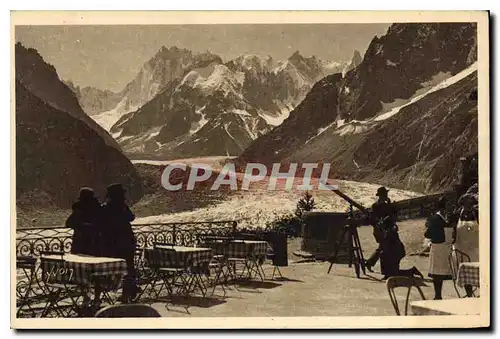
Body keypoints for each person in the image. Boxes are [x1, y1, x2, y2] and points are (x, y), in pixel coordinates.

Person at [101, 183, 139, 303]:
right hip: (127, 241)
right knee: (129, 268)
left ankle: (121, 291)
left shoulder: (106, 207)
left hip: (113, 242)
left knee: (117, 267)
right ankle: (129, 292)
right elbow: (131, 217)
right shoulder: (123, 206)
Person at [425, 196, 454, 299]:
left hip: (445, 248)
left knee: (440, 272)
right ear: (443, 207)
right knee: (437, 273)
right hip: (438, 248)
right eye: (448, 206)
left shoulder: (445, 218)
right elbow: (427, 234)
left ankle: (438, 295)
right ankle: (437, 295)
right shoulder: (435, 219)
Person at [454, 184, 479, 297]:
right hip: (461, 248)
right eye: (466, 203)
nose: (468, 205)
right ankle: (469, 294)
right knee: (465, 272)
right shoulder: (458, 214)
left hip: (475, 248)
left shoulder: (477, 213)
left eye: (470, 203)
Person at [365, 187, 396, 272]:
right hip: (379, 231)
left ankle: (369, 263)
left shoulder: (386, 204)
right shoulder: (375, 206)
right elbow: (372, 219)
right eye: (385, 194)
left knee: (382, 248)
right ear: (382, 195)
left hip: (385, 230)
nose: (387, 195)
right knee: (384, 249)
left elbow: (392, 215)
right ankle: (385, 270)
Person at [65, 187, 102, 256]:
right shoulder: (98, 208)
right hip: (94, 241)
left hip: (80, 241)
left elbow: (68, 223)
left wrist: (80, 225)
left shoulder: (79, 209)